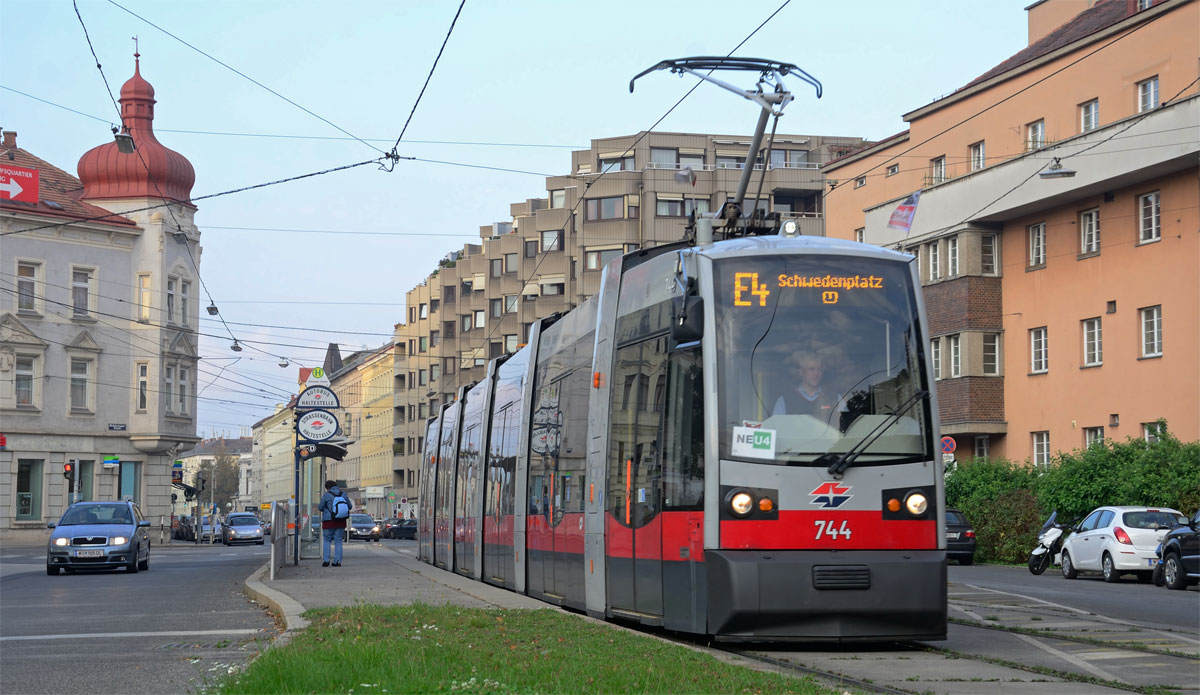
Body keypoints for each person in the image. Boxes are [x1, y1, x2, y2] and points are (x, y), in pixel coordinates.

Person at [772, 351, 844, 422]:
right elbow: (776, 428)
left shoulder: (835, 398)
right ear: (801, 372)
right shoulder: (784, 400)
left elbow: (846, 425)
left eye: (819, 369)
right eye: (811, 369)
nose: (816, 373)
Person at [318, 480, 353, 567]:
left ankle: (326, 561)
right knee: (338, 541)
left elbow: (320, 507)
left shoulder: (326, 495)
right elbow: (350, 506)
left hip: (328, 521)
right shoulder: (343, 494)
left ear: (328, 488)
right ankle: (337, 561)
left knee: (327, 540)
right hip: (341, 521)